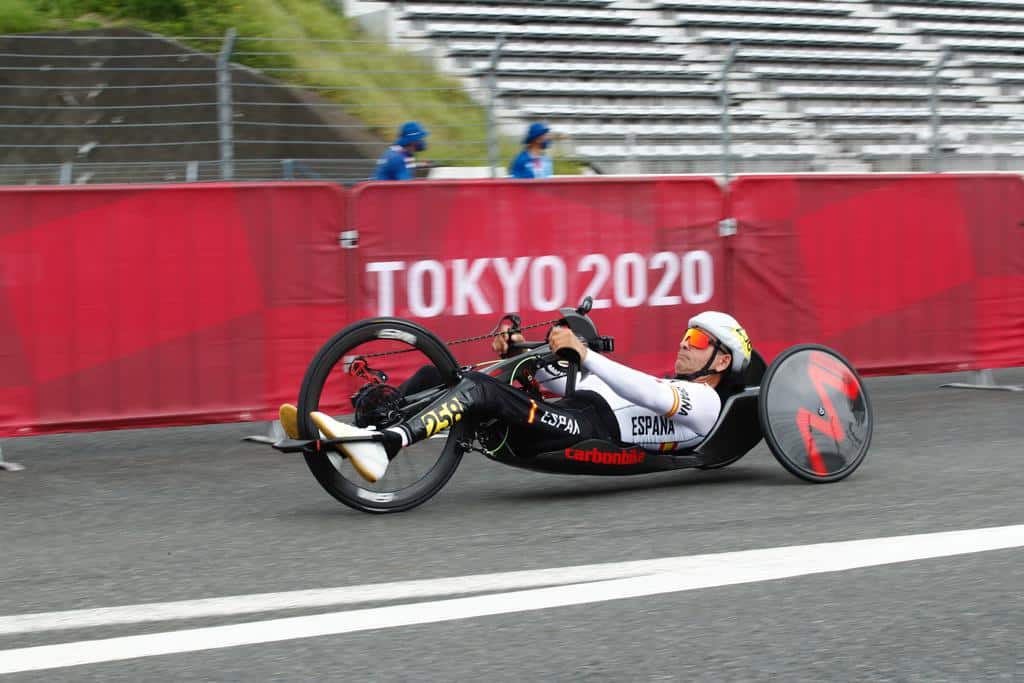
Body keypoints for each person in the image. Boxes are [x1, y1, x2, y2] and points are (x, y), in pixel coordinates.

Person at [292, 311, 752, 483]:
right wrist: (525, 353)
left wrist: (585, 354)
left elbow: (647, 395)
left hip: (587, 434)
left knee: (479, 390)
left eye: (696, 340)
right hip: (572, 415)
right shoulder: (672, 385)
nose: (683, 344)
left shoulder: (705, 402)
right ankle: (357, 431)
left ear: (722, 361)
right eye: (686, 334)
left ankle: (384, 446)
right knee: (446, 373)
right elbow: (580, 386)